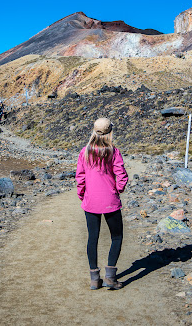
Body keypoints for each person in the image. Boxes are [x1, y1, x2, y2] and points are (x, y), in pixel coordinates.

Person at [76, 117, 128, 290]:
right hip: (110, 201)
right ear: (110, 132)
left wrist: (82, 194)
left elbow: (80, 177)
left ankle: (94, 279)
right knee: (117, 236)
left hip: (91, 201)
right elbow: (121, 175)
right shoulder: (114, 151)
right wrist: (118, 189)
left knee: (93, 238)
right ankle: (110, 278)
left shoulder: (85, 152)